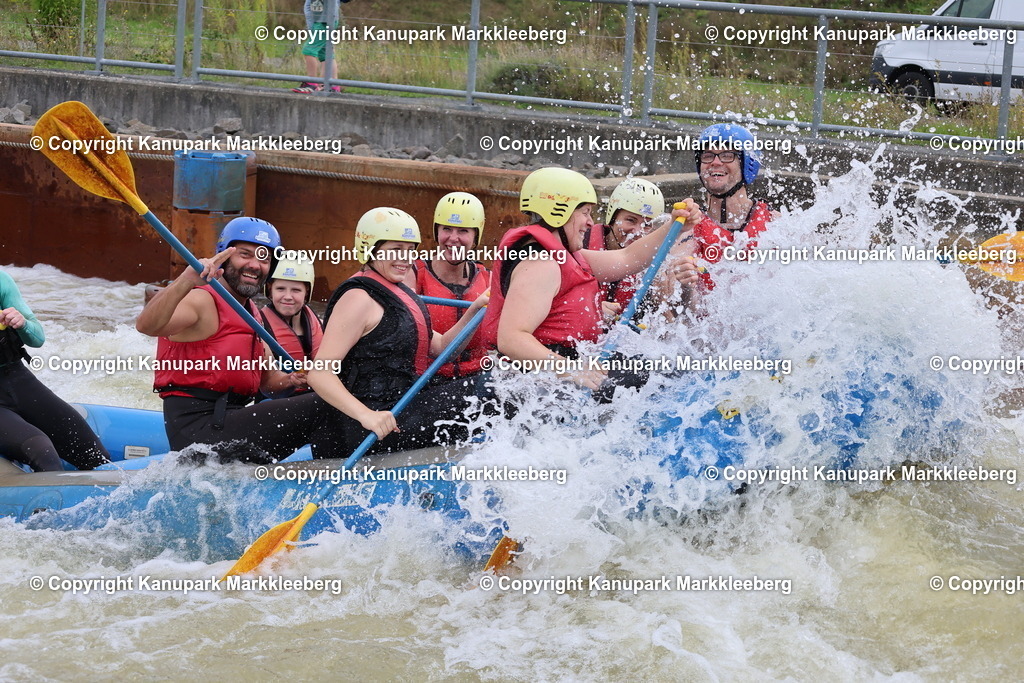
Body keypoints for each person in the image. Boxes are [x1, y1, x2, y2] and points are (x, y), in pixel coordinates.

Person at [481, 167, 702, 391]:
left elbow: (627, 258)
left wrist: (675, 226)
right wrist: (573, 370)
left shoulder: (563, 255)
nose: (589, 222)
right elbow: (511, 339)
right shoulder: (540, 264)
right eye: (585, 212)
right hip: (532, 383)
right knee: (660, 377)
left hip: (557, 370)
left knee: (667, 367)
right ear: (559, 210)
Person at [135, 217, 325, 463]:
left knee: (327, 401)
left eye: (264, 258)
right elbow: (146, 325)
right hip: (199, 433)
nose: (255, 265)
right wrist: (186, 280)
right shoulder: (201, 300)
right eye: (245, 254)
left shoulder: (251, 312)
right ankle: (337, 477)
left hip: (228, 423)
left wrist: (291, 379)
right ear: (224, 256)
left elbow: (267, 382)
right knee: (324, 406)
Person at [307, 207, 489, 457]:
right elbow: (319, 373)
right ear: (370, 247)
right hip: (370, 427)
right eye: (395, 250)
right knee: (492, 388)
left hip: (403, 409)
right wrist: (367, 416)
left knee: (503, 383)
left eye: (409, 251)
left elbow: (443, 348)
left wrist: (476, 308)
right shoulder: (358, 298)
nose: (405, 259)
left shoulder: (399, 292)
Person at [0, 270, 110, 472]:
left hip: (18, 380)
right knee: (41, 451)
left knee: (95, 455)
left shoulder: (1, 280)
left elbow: (37, 339)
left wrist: (22, 323)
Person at [409, 192, 491, 382]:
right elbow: (437, 349)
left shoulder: (489, 279)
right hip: (426, 382)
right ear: (437, 232)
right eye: (446, 229)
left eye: (463, 231)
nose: (453, 238)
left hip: (478, 377)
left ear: (475, 236)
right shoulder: (413, 276)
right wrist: (475, 309)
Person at [690, 123, 775, 292]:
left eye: (727, 155)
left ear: (746, 163)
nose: (715, 162)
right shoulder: (688, 227)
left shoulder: (776, 224)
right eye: (707, 155)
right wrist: (684, 287)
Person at [584, 177, 667, 321]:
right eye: (630, 220)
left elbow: (669, 324)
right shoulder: (580, 244)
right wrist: (589, 308)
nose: (637, 231)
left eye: (647, 225)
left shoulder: (653, 267)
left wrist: (684, 288)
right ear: (613, 217)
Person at [259, 258, 323, 397]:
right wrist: (291, 380)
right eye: (280, 289)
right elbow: (266, 386)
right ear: (270, 291)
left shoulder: (318, 321)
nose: (288, 297)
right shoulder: (259, 326)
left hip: (314, 395)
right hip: (276, 401)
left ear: (306, 293)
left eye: (296, 290)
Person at [292, 0, 343, 93]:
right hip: (320, 20)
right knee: (325, 53)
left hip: (324, 22)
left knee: (308, 50)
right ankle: (333, 86)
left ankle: (312, 83)